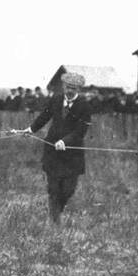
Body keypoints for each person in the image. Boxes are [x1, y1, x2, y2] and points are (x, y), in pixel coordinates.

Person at [19, 71, 91, 223]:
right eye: (68, 87)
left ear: (78, 89)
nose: (70, 90)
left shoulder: (84, 105)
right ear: (64, 86)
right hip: (53, 152)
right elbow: (44, 116)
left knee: (68, 190)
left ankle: (57, 210)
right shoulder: (56, 99)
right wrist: (31, 129)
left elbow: (80, 131)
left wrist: (65, 141)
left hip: (72, 155)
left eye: (74, 88)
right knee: (53, 189)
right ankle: (55, 222)